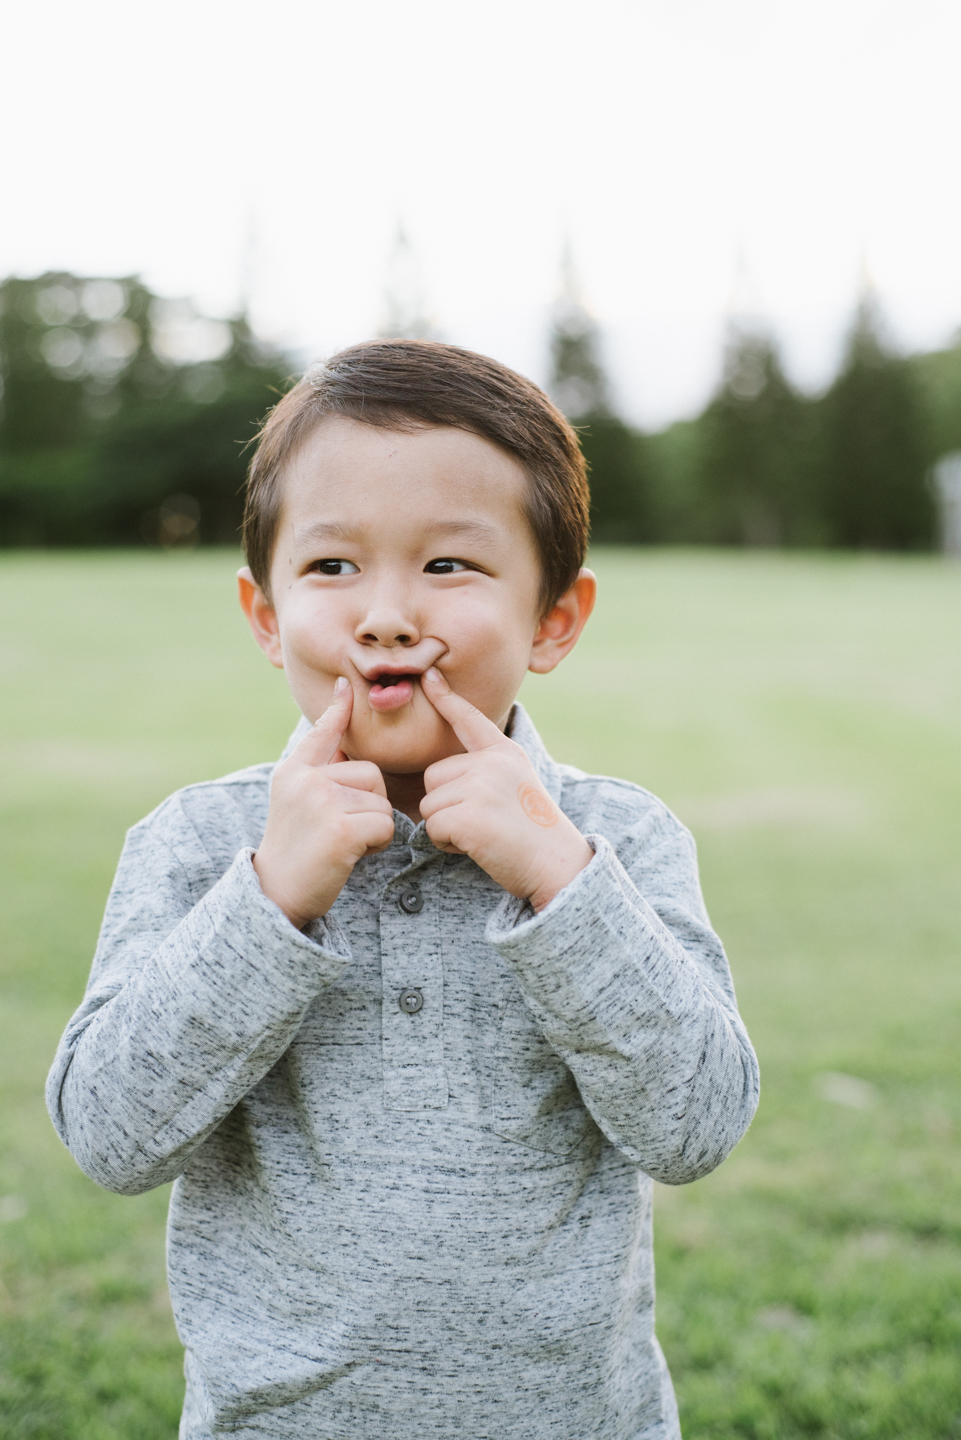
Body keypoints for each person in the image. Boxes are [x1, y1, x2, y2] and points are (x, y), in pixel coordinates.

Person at [47, 340, 759, 1440]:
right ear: (265, 614)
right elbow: (111, 1138)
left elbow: (695, 1126)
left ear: (553, 618)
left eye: (448, 567)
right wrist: (270, 901)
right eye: (332, 568)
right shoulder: (201, 844)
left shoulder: (615, 839)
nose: (384, 615)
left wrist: (557, 883)